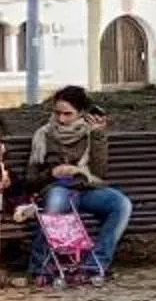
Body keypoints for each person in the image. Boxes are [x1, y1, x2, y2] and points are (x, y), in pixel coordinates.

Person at [25, 87, 129, 283]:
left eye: (67, 114)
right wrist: (52, 173)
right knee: (56, 202)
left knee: (121, 204)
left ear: (81, 113)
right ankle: (41, 266)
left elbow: (98, 173)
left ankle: (94, 265)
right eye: (57, 113)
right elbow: (31, 180)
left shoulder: (91, 135)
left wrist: (98, 136)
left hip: (86, 189)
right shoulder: (43, 136)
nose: (61, 119)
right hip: (57, 188)